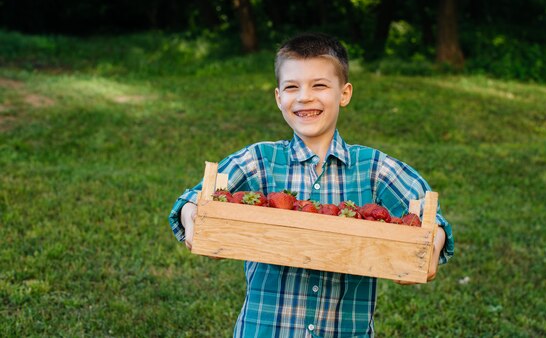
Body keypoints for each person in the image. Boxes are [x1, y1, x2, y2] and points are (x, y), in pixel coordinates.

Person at [168, 33, 454, 337]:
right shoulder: (259, 160)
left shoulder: (374, 169)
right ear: (279, 97)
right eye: (292, 87)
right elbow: (194, 200)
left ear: (344, 94)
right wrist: (194, 220)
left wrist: (431, 244)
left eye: (319, 85)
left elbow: (429, 218)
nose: (304, 97)